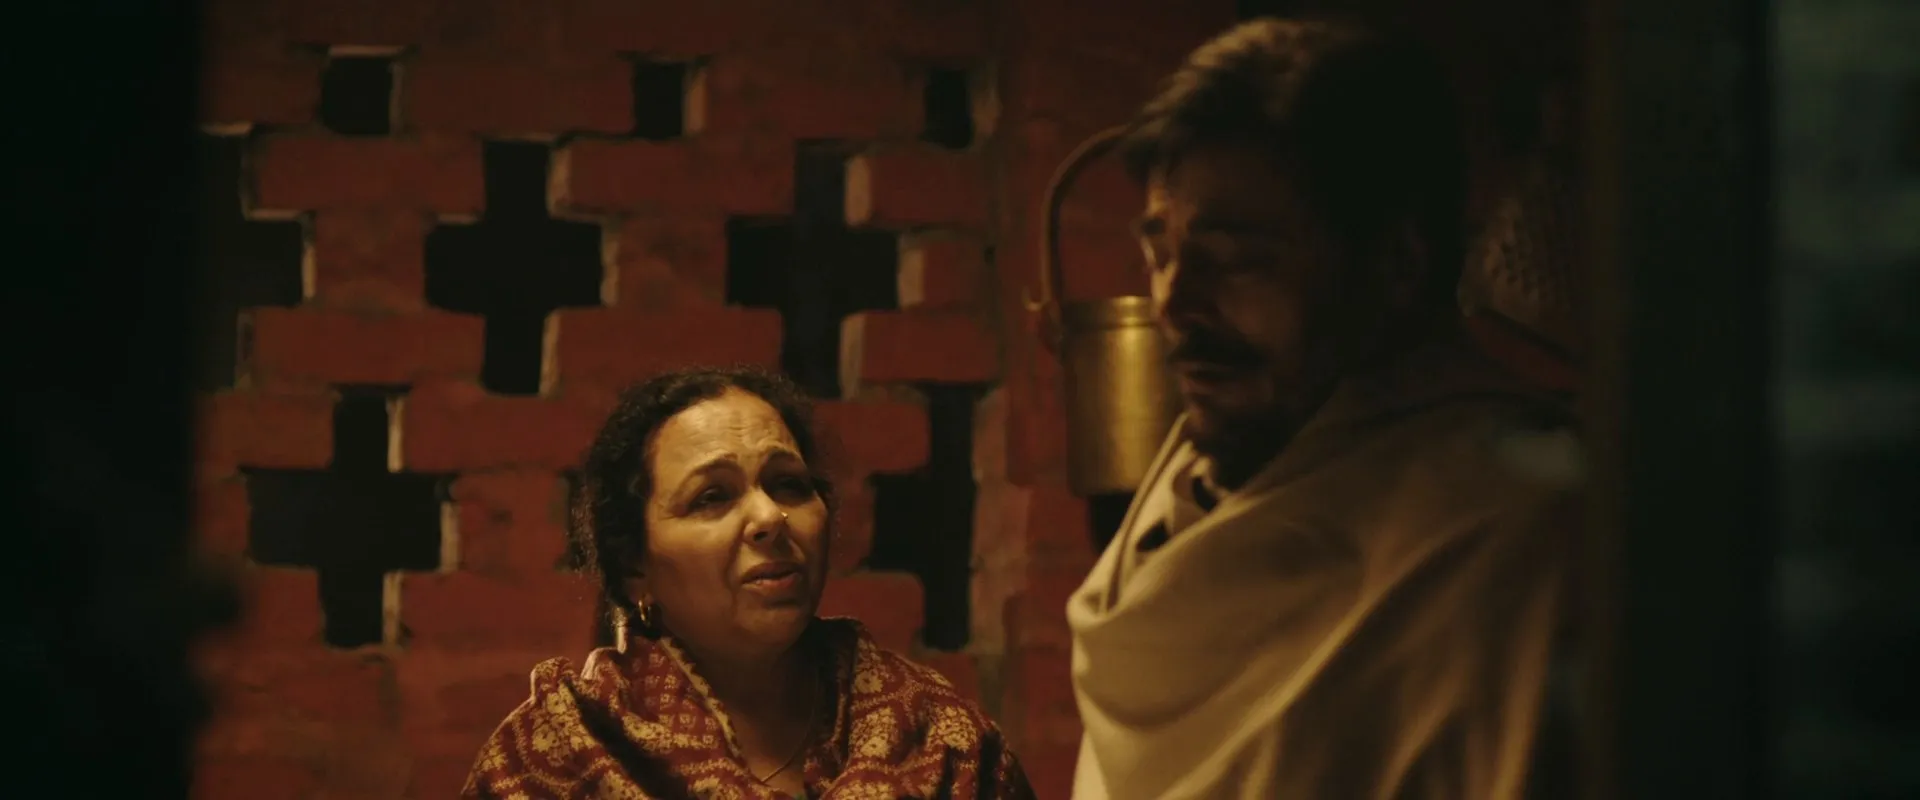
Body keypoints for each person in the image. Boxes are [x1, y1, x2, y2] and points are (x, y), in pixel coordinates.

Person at [1067, 18, 1585, 800]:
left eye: (1238, 259)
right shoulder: (1176, 506)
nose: (1174, 301)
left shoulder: (1520, 540)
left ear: (1396, 264)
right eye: (1161, 254)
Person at [464, 366, 1034, 799]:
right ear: (635, 563)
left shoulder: (939, 739)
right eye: (712, 497)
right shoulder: (559, 757)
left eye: (788, 485)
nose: (769, 518)